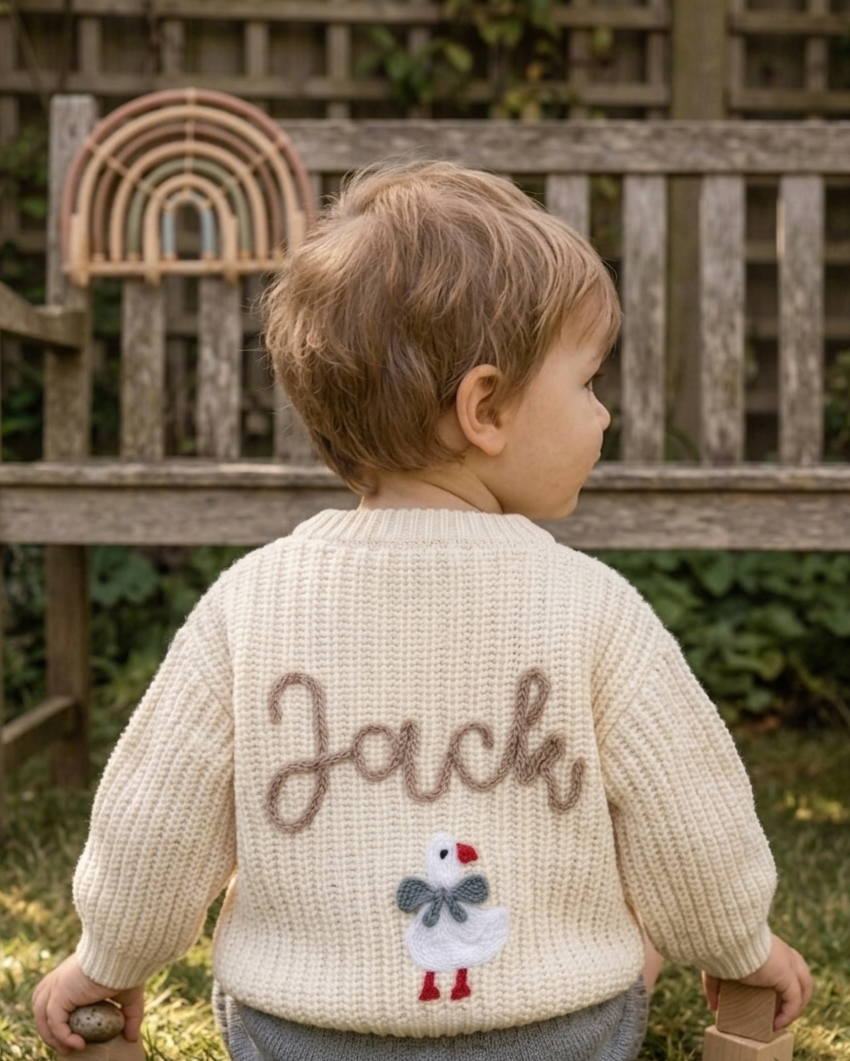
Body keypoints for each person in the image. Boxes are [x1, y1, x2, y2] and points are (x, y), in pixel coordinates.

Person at [33, 161, 812, 1061]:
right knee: (640, 924)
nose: (606, 416)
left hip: (302, 1033)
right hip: (556, 1032)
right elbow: (693, 825)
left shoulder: (248, 601)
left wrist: (108, 959)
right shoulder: (594, 606)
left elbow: (155, 823)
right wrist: (740, 945)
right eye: (589, 383)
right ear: (484, 407)